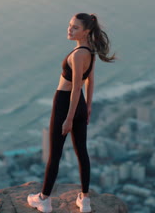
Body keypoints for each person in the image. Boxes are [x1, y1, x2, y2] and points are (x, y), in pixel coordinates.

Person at [27, 13, 116, 212]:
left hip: (65, 104)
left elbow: (76, 87)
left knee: (55, 155)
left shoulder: (76, 55)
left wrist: (68, 118)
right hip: (81, 105)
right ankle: (85, 200)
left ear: (86, 31)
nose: (70, 29)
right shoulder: (90, 51)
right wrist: (88, 107)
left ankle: (44, 199)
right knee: (82, 152)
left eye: (75, 27)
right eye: (70, 25)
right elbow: (90, 81)